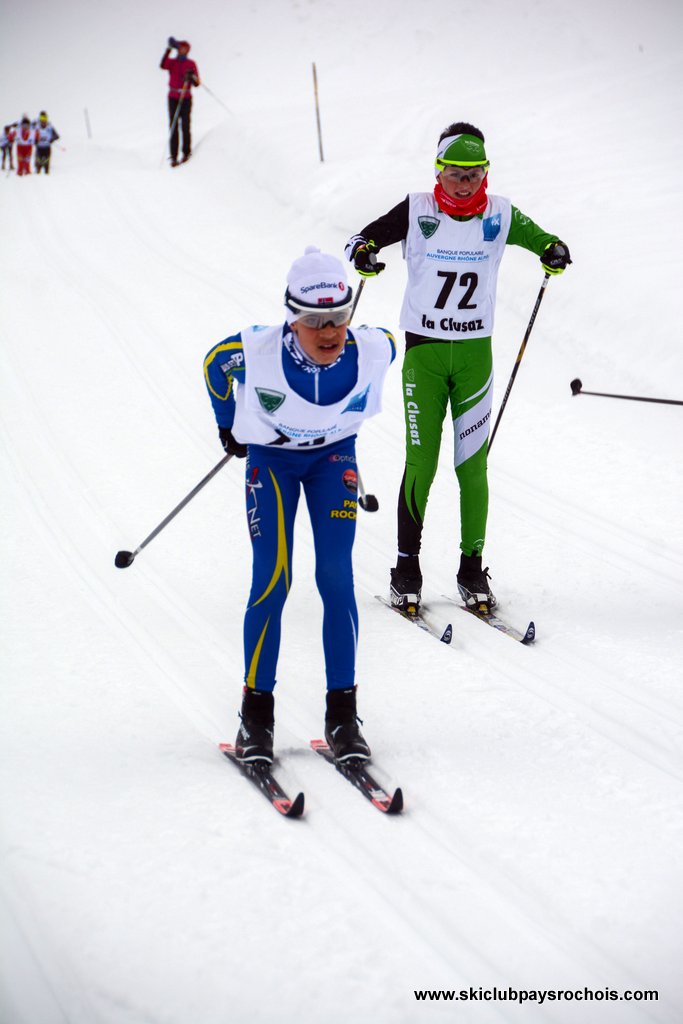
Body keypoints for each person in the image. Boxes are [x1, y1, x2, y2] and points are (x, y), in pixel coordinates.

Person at [345, 122, 571, 615]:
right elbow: (361, 239)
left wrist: (553, 251)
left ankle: (472, 569)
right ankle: (406, 569)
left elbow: (545, 241)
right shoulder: (417, 209)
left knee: (472, 466)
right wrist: (363, 254)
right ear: (439, 171)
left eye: (474, 174)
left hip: (474, 358)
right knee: (421, 463)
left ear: (486, 173)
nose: (465, 184)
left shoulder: (501, 214)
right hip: (424, 356)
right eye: (455, 174)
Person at [203, 246, 396, 765]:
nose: (329, 332)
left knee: (336, 576)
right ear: (291, 319)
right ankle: (255, 719)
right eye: (314, 321)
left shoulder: (373, 348)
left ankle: (343, 718)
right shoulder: (255, 350)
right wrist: (228, 424)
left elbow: (393, 342)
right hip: (274, 463)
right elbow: (214, 365)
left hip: (334, 461)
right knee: (274, 577)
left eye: (338, 318)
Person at [159, 37, 200, 166]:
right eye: (181, 48)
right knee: (173, 126)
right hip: (173, 97)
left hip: (186, 97)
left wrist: (191, 76)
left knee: (185, 125)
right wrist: (168, 49)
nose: (183, 50)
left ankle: (186, 153)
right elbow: (162, 65)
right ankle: (173, 157)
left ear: (188, 50)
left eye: (185, 49)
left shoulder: (191, 63)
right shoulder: (172, 62)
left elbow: (197, 83)